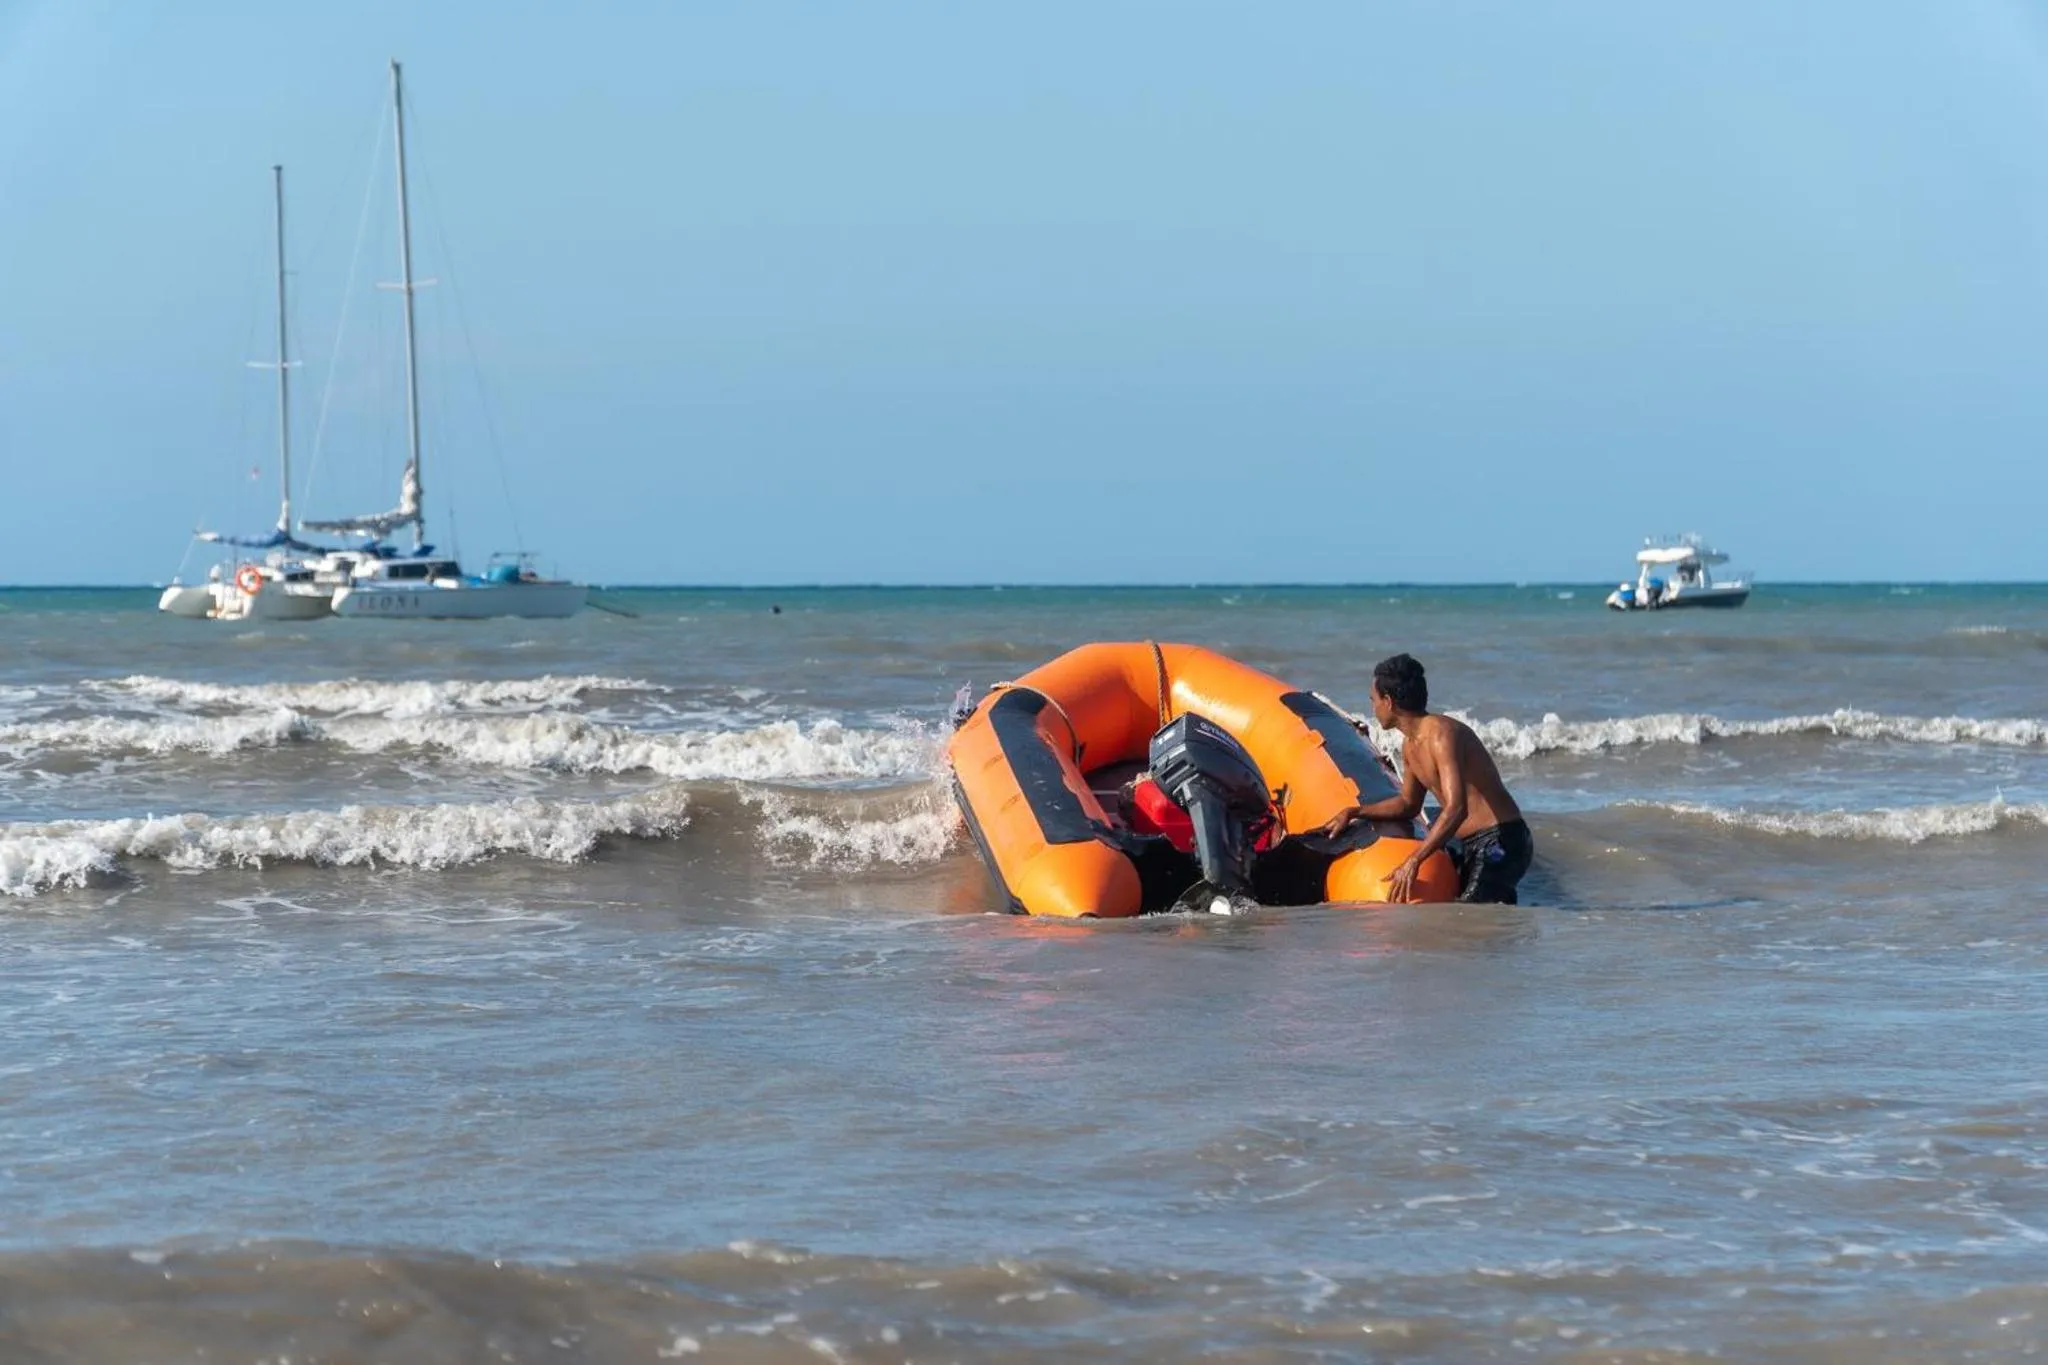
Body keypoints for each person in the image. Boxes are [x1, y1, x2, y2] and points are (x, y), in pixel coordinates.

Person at [1317, 654, 1533, 904]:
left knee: (1467, 917)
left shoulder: (1441, 735)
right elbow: (1408, 805)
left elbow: (1456, 809)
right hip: (1470, 844)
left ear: (1388, 702)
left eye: (1373, 701)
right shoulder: (1410, 745)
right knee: (1477, 916)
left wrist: (1415, 860)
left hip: (1501, 841)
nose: (1372, 708)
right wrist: (1355, 812)